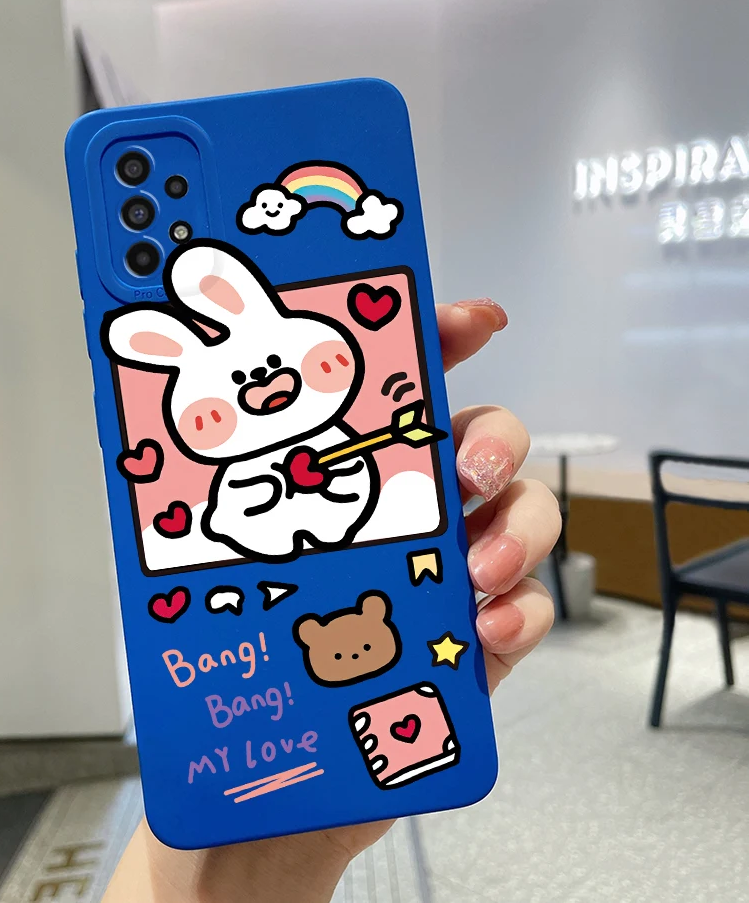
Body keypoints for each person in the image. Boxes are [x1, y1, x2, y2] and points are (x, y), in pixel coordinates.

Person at [103, 299, 560, 903]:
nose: (263, 387)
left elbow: (362, 485)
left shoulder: (350, 446)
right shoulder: (234, 488)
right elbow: (231, 521)